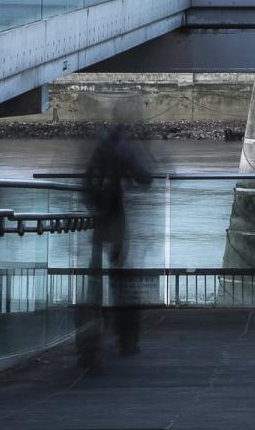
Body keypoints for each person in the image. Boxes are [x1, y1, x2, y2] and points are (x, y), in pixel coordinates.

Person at [78, 122, 154, 367]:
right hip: (117, 221)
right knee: (122, 281)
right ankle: (126, 339)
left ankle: (89, 343)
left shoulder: (98, 153)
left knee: (94, 283)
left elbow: (85, 187)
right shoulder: (122, 150)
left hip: (98, 222)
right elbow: (145, 178)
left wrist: (94, 208)